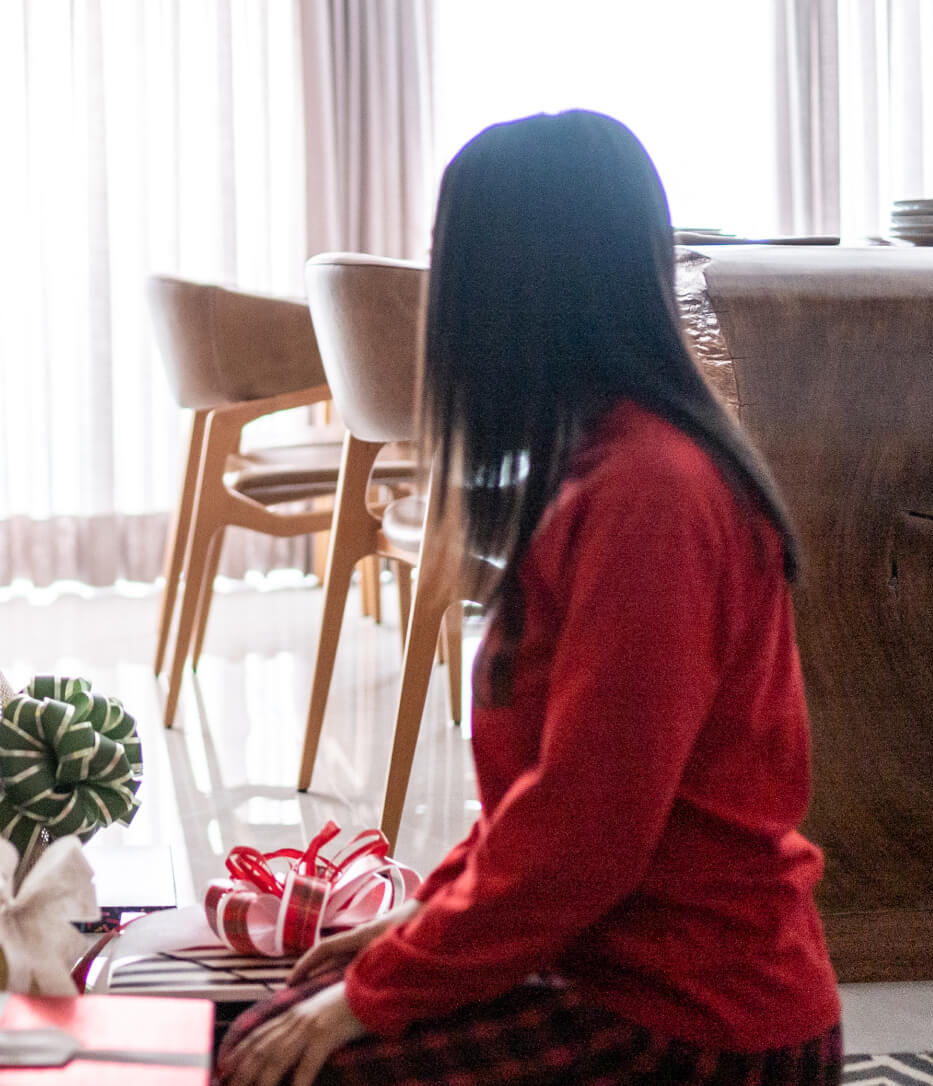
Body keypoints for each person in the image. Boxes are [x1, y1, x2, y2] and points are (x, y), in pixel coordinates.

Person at [219, 111, 841, 1086]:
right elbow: (544, 804)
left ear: (518, 285)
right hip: (615, 968)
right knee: (266, 1027)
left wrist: (382, 990)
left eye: (449, 264)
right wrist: (423, 917)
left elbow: (586, 834)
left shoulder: (652, 498)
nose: (438, 305)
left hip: (694, 1019)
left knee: (294, 1066)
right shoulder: (609, 468)